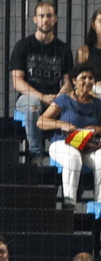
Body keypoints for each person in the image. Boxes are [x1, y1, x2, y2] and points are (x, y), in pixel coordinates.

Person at [9, 1, 73, 156]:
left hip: (54, 99)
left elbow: (69, 83)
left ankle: (61, 152)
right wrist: (42, 97)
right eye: (41, 16)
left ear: (56, 19)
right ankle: (36, 154)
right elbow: (17, 82)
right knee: (33, 105)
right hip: (28, 98)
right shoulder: (23, 46)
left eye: (49, 16)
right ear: (35, 19)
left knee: (70, 108)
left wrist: (59, 98)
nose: (45, 19)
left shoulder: (63, 49)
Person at [37, 69, 101, 210]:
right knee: (73, 157)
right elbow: (41, 122)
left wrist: (97, 129)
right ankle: (69, 204)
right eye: (83, 77)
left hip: (88, 146)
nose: (87, 81)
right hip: (62, 143)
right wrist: (63, 125)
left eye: (91, 78)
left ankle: (99, 203)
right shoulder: (64, 99)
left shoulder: (97, 103)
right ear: (74, 81)